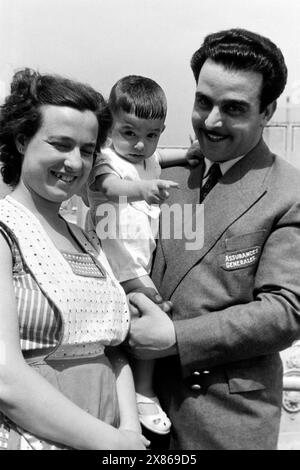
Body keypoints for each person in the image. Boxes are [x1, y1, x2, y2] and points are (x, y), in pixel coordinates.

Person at [127, 28, 300, 450]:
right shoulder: (163, 175)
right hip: (136, 410)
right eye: (203, 102)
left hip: (223, 416)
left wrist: (176, 338)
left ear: (268, 110)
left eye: (234, 108)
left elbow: (286, 309)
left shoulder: (287, 192)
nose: (212, 121)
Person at [0, 68, 149, 450]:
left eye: (86, 150)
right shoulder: (4, 231)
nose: (75, 162)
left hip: (111, 433)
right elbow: (6, 379)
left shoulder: (87, 237)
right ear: (21, 139)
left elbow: (112, 348)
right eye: (60, 144)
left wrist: (130, 433)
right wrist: (112, 443)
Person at [82, 75, 200, 436]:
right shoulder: (104, 159)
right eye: (129, 132)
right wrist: (141, 190)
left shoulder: (149, 160)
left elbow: (159, 157)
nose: (139, 144)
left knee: (136, 324)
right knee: (155, 310)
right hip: (113, 259)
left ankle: (128, 392)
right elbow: (109, 186)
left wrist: (189, 154)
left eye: (151, 135)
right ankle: (143, 392)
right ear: (109, 129)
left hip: (136, 259)